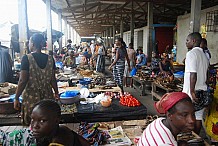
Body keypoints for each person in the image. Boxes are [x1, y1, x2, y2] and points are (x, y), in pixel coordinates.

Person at [14, 33, 59, 126]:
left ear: (33, 44)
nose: (28, 45)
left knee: (33, 124)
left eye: (29, 42)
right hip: (47, 97)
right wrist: (56, 93)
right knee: (46, 122)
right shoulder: (50, 59)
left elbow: (22, 80)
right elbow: (53, 79)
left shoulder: (26, 58)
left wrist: (16, 97)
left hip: (31, 98)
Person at [0, 99, 90, 146]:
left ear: (56, 120)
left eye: (42, 121)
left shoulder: (64, 135)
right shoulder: (29, 137)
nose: (34, 126)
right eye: (32, 119)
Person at [182, 32, 209, 134]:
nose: (186, 43)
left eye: (187, 40)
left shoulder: (191, 54)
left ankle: (189, 136)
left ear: (193, 41)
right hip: (203, 90)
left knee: (187, 115)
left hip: (192, 91)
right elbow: (206, 74)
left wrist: (192, 91)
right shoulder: (204, 55)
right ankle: (196, 137)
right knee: (198, 117)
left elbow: (193, 73)